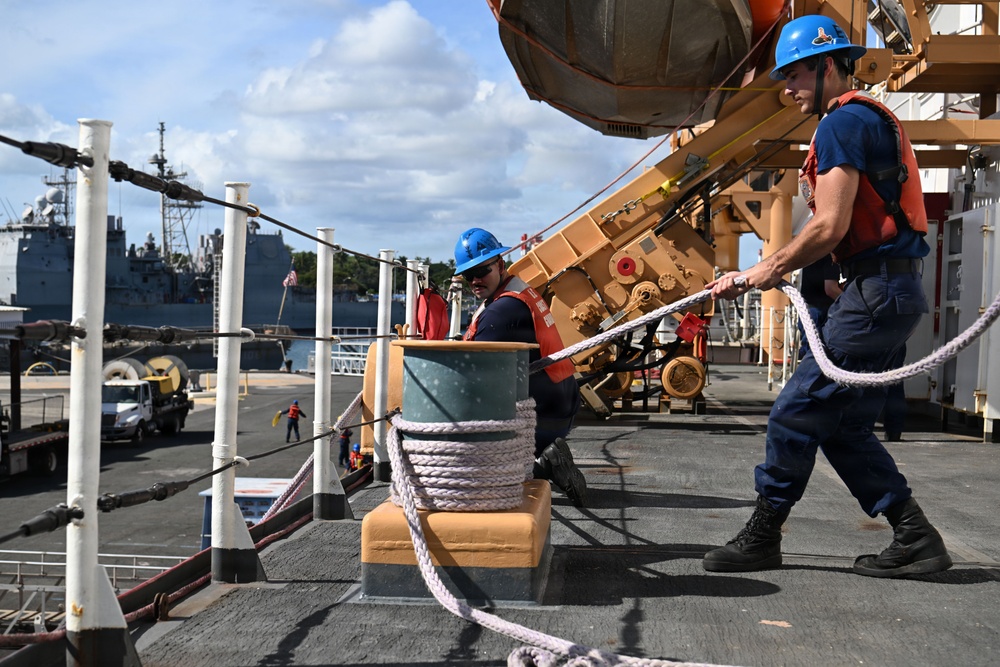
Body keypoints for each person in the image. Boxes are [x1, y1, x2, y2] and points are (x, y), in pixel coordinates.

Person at [703, 15, 951, 579]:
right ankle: (916, 537)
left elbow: (830, 226)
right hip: (890, 291)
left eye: (795, 75)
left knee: (795, 412)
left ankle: (764, 535)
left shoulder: (842, 125)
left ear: (830, 67)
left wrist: (765, 268)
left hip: (877, 293)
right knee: (843, 427)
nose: (787, 89)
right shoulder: (867, 120)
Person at [454, 227, 587, 507]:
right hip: (561, 409)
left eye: (482, 271)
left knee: (473, 467)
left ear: (500, 265)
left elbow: (468, 373)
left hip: (542, 421)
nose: (475, 280)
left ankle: (542, 465)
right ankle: (544, 459)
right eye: (469, 275)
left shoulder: (502, 312)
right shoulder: (516, 291)